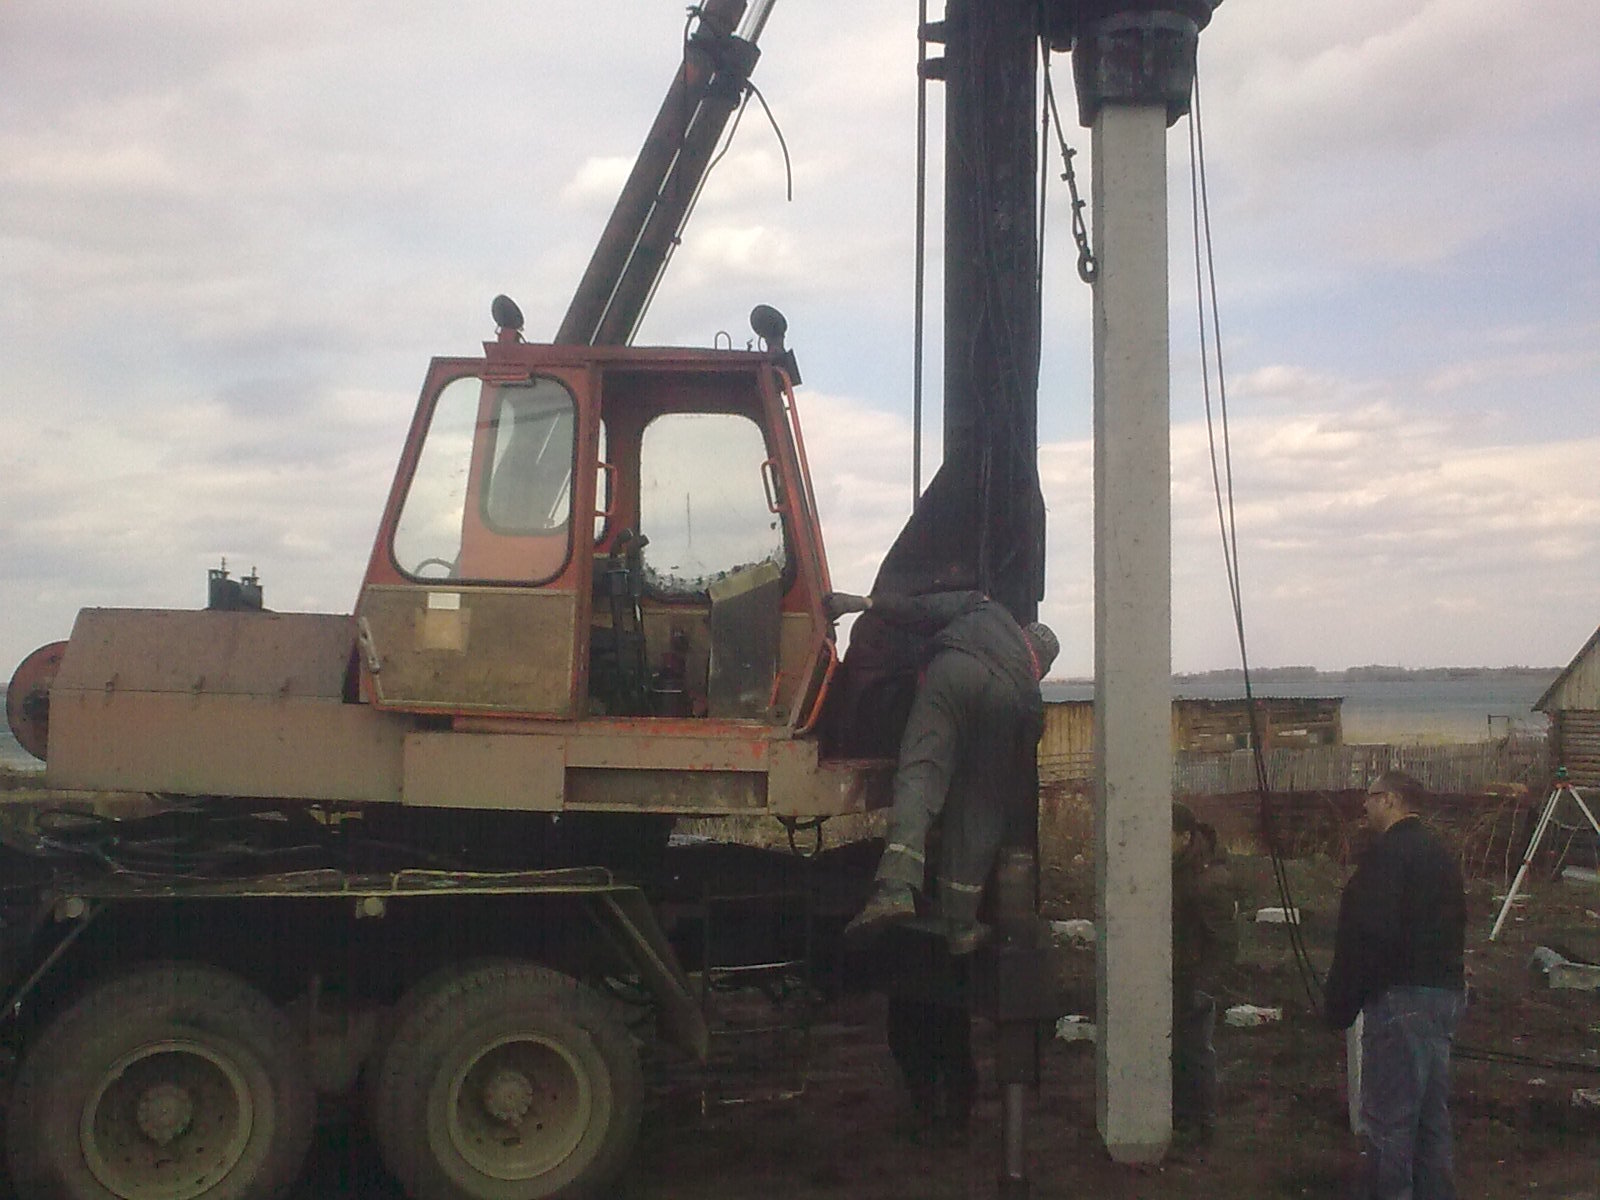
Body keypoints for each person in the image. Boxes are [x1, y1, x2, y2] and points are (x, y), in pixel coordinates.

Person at [829, 589, 1059, 952]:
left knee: (919, 775)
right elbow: (1026, 742)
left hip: (952, 671)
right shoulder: (1029, 684)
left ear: (1023, 631)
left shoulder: (988, 606)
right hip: (1008, 700)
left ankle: (894, 889)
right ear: (1042, 665)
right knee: (982, 808)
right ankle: (960, 923)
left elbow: (923, 607)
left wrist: (866, 603)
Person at [1324, 770, 1467, 1200]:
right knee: (1429, 1119)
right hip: (1442, 995)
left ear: (1390, 800)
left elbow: (1368, 934)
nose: (1364, 807)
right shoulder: (1439, 855)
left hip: (1400, 999)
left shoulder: (1388, 857)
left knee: (1388, 1121)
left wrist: (1340, 1003)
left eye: (1370, 798)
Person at [1171, 802, 1238, 1148]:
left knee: (1195, 1051)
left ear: (1184, 837)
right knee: (1180, 1050)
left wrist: (1206, 987)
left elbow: (1224, 940)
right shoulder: (1181, 869)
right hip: (1178, 974)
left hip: (1195, 979)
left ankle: (1202, 1123)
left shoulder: (1208, 879)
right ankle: (1184, 1117)